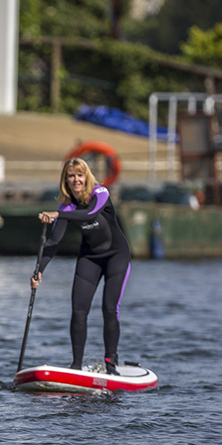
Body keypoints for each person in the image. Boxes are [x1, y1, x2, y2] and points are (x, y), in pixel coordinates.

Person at [30, 157, 131, 375]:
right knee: (78, 310)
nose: (76, 179)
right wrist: (38, 271)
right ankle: (76, 366)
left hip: (117, 256)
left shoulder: (100, 193)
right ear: (65, 180)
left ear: (86, 177)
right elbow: (54, 242)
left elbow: (90, 214)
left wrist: (58, 214)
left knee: (109, 308)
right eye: (71, 175)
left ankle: (110, 364)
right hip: (90, 257)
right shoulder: (66, 206)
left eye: (79, 175)